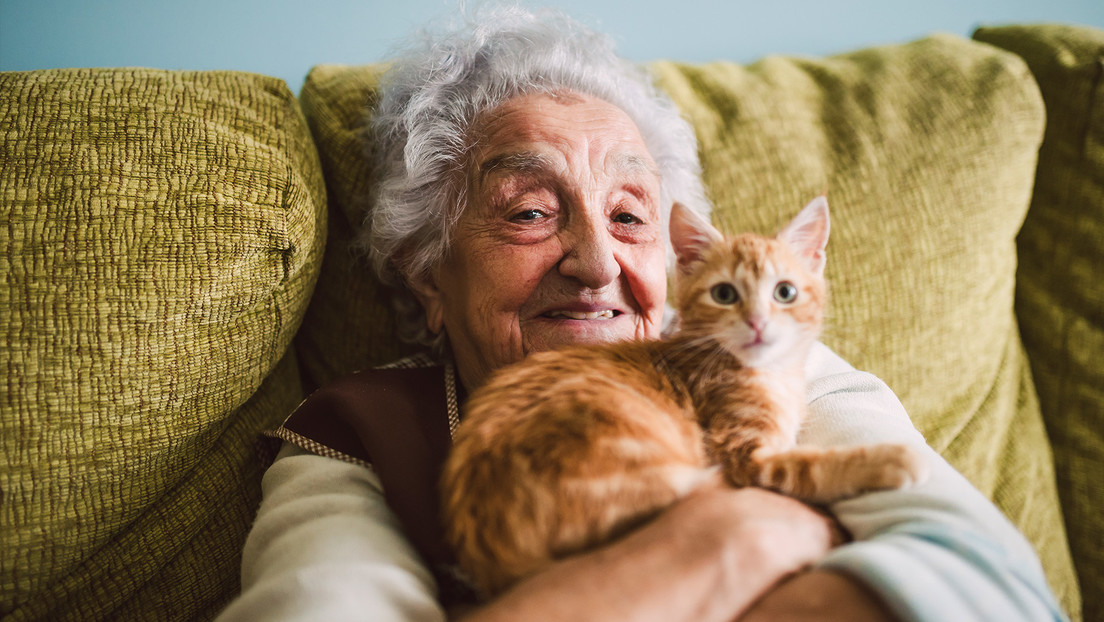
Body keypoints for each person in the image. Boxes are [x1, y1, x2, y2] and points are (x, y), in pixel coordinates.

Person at [216, 6, 1067, 621]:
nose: (596, 265)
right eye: (529, 212)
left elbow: (991, 586)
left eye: (630, 218)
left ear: (678, 261)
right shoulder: (350, 438)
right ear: (427, 277)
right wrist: (735, 538)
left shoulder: (772, 361)